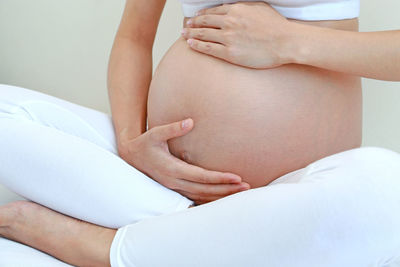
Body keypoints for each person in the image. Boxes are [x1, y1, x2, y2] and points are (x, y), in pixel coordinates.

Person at [1, 0, 400, 266]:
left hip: (292, 195)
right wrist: (131, 141)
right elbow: (133, 39)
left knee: (388, 186)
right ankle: (202, 242)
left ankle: (108, 249)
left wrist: (288, 42)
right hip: (155, 183)